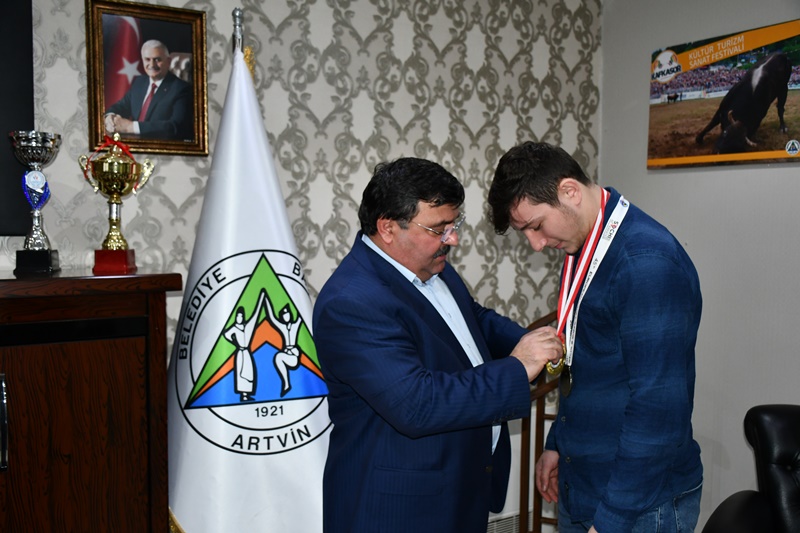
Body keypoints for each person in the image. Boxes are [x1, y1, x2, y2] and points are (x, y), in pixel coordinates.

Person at [312, 157, 563, 533]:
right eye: (439, 229)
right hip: (397, 511)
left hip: (456, 491)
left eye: (454, 225)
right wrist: (517, 366)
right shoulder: (352, 302)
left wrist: (532, 342)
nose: (453, 239)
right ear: (388, 228)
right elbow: (417, 403)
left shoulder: (429, 263)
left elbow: (472, 320)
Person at [488, 141, 703, 533]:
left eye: (536, 226)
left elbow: (657, 410)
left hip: (637, 506)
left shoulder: (645, 264)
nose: (536, 244)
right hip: (586, 485)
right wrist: (559, 442)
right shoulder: (583, 246)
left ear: (569, 191)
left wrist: (612, 520)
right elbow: (586, 361)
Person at [104, 39, 193, 141]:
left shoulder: (182, 89)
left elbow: (176, 127)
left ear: (168, 61)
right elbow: (121, 106)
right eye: (147, 59)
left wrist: (131, 127)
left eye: (157, 59)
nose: (152, 65)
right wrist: (110, 117)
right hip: (133, 144)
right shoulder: (140, 82)